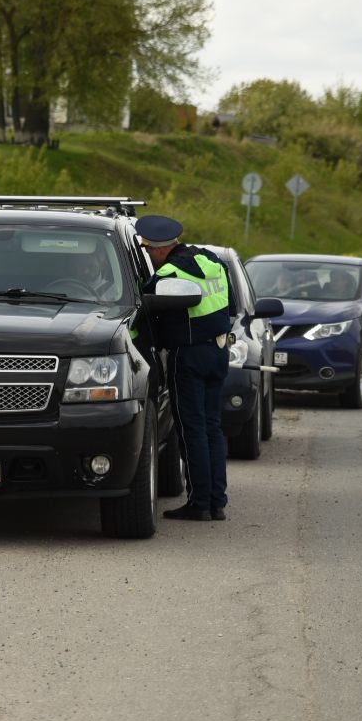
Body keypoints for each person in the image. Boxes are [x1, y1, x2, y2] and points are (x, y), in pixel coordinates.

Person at [137, 215, 233, 522]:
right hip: (218, 351)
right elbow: (228, 304)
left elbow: (148, 313)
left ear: (161, 249)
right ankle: (217, 502)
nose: (150, 256)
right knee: (212, 428)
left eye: (150, 251)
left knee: (192, 430)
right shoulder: (212, 261)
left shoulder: (169, 273)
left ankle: (199, 503)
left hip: (188, 358)